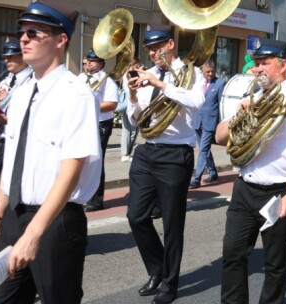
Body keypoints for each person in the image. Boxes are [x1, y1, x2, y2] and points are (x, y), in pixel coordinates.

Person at [0, 0, 101, 302]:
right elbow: (12, 162)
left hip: (55, 223)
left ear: (60, 40)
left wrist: (34, 234)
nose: (23, 38)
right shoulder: (22, 93)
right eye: (22, 31)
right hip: (14, 216)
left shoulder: (75, 94)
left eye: (34, 33)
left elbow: (71, 170)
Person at [215, 38, 286, 303]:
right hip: (245, 188)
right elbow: (219, 137)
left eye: (264, 63)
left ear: (283, 65)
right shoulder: (251, 99)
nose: (257, 68)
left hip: (277, 192)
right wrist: (238, 116)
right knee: (233, 253)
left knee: (274, 260)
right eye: (256, 64)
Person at [125, 24, 205, 304]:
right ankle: (157, 269)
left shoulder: (190, 73)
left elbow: (197, 102)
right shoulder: (147, 74)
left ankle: (169, 284)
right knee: (136, 216)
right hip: (147, 151)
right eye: (148, 48)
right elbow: (136, 118)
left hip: (175, 154)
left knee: (172, 224)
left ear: (171, 44)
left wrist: (159, 84)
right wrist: (133, 94)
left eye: (157, 46)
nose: (152, 52)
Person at [0, 39, 31, 216]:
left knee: (0, 190)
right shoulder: (7, 81)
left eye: (13, 56)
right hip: (3, 140)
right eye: (6, 57)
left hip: (20, 142)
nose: (8, 60)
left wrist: (7, 119)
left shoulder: (31, 81)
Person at [79, 49, 118, 212]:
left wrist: (89, 106)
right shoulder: (80, 78)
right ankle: (82, 195)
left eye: (92, 60)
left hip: (100, 124)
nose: (88, 63)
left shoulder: (106, 81)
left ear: (101, 63)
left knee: (96, 162)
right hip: (82, 123)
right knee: (80, 160)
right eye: (87, 60)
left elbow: (111, 104)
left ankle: (96, 200)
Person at [189, 59, 225, 189]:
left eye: (212, 71)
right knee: (205, 150)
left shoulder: (220, 83)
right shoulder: (198, 83)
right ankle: (213, 172)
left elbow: (222, 104)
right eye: (207, 71)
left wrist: (221, 123)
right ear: (202, 71)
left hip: (210, 122)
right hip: (198, 121)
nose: (210, 74)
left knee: (203, 149)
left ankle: (197, 178)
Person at [119, 56, 141, 162]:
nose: (139, 66)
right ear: (133, 64)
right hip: (131, 103)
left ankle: (125, 153)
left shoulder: (125, 74)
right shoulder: (131, 75)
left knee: (126, 129)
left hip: (126, 103)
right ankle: (127, 153)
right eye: (137, 64)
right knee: (132, 130)